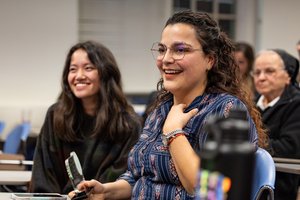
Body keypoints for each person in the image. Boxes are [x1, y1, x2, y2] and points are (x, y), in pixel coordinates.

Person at [71, 10, 267, 199]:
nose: (166, 59)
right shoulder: (160, 110)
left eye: (180, 50)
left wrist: (174, 133)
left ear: (210, 59)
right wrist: (105, 191)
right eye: (163, 49)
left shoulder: (225, 111)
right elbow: (138, 177)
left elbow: (209, 191)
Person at [28, 41, 141, 194]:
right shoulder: (55, 116)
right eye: (73, 69)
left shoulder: (128, 124)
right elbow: (44, 175)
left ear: (106, 73)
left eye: (88, 68)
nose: (79, 76)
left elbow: (123, 180)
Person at [252, 49, 300, 200]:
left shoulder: (296, 104)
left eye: (269, 71)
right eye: (257, 72)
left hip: (279, 187)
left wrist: (248, 142)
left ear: (288, 76)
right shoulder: (250, 103)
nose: (261, 78)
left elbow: (289, 147)